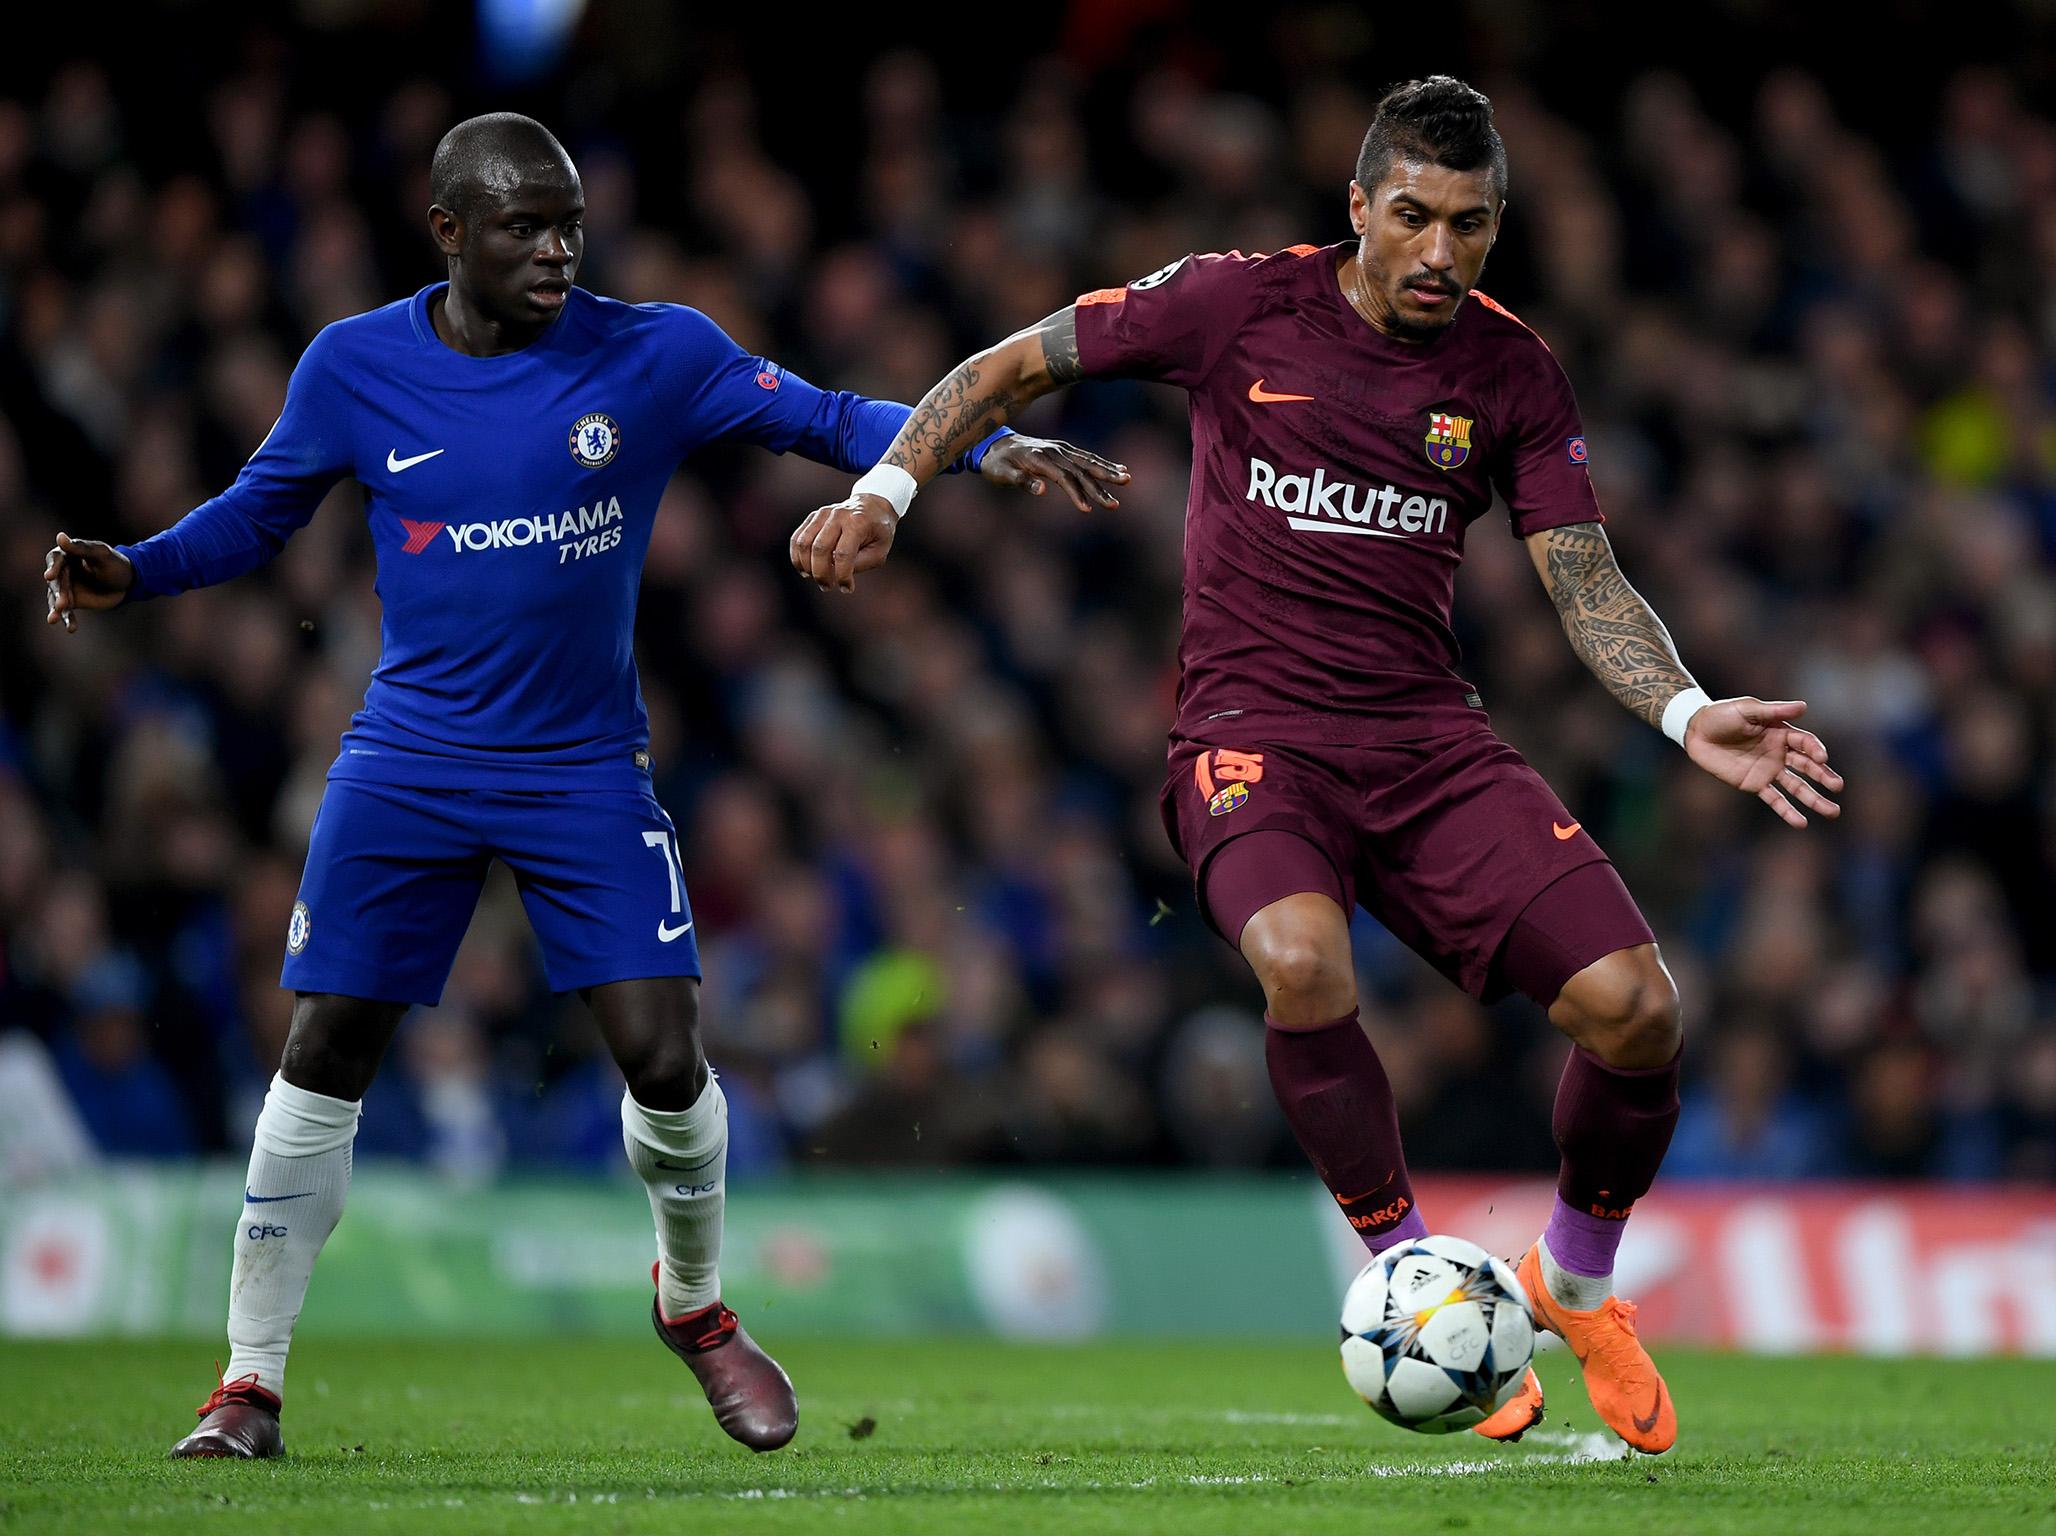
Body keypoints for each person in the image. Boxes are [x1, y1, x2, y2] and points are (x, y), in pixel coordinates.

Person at [41, 112, 1124, 1460]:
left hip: (579, 766)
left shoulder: (654, 351)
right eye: (522, 226)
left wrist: (971, 449)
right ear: (447, 232)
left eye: (569, 224)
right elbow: (256, 514)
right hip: (412, 757)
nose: (556, 249)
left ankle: (698, 1307)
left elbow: (829, 417)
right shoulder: (354, 366)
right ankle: (247, 1386)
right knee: (325, 1047)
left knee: (666, 1060)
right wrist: (134, 569)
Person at [788, 77, 1843, 1456]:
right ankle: (1407, 1271)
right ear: (1359, 206)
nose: (1439, 253)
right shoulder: (1236, 304)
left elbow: (1585, 581)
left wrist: (1685, 713)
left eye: (1470, 226)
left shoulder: (1511, 371)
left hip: (1427, 745)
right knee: (1299, 960)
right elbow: (1009, 363)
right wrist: (887, 493)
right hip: (1251, 739)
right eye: (1412, 217)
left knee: (1640, 1010)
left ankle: (1574, 1289)